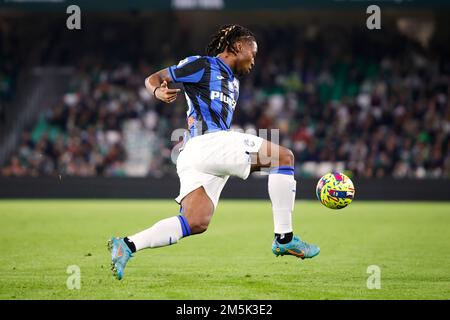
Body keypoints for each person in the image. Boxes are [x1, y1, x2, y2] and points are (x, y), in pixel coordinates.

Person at [108, 24, 319, 280]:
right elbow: (152, 78)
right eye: (253, 54)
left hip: (198, 154)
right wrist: (157, 90)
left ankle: (127, 245)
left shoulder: (235, 84)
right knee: (283, 158)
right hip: (207, 144)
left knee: (196, 221)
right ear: (238, 46)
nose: (254, 61)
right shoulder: (202, 65)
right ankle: (284, 238)